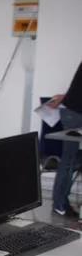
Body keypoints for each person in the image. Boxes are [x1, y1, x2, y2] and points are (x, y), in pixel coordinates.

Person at [51, 61, 82, 217]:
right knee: (69, 160)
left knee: (73, 160)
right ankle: (59, 204)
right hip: (74, 115)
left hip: (73, 112)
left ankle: (61, 200)